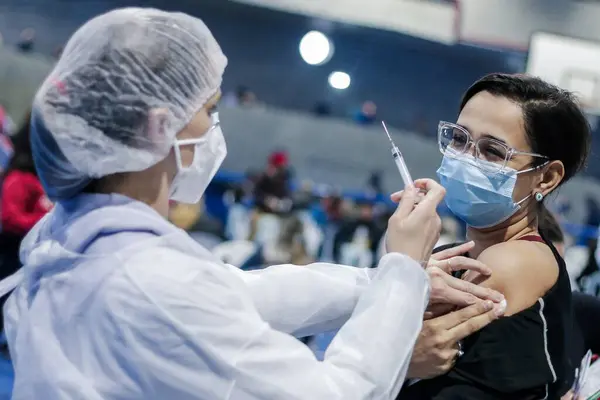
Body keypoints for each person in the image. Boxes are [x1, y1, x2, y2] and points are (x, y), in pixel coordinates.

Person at [0, 9, 504, 399]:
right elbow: (341, 393)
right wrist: (401, 270)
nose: (215, 129)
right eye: (209, 110)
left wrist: (382, 283)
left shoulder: (71, 237)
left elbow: (244, 293)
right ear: (160, 127)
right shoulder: (148, 285)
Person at [401, 73, 591, 399]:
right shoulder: (453, 254)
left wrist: (401, 259)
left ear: (545, 178)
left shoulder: (516, 260)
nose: (465, 159)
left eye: (492, 150)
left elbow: (389, 343)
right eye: (459, 139)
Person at [0, 109, 52, 334]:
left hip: (31, 250)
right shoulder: (19, 178)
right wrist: (44, 219)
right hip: (12, 250)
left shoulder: (37, 178)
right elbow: (9, 218)